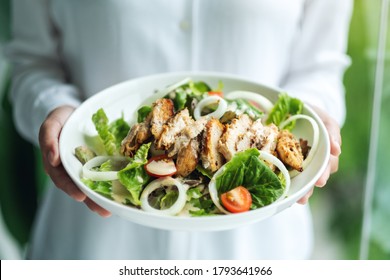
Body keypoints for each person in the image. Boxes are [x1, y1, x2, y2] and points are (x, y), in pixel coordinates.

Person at [5, 0, 352, 259]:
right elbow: (32, 62)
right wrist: (54, 108)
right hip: (93, 238)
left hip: (258, 246)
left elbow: (320, 67)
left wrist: (313, 112)